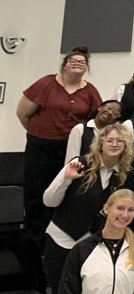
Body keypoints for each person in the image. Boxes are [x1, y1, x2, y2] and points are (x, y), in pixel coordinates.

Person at [42, 124, 133, 294]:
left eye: (120, 141)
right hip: (61, 239)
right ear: (100, 143)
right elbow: (48, 200)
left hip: (90, 245)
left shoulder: (122, 176)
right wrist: (66, 179)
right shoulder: (79, 164)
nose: (114, 144)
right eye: (110, 140)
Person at [18, 46, 103, 240]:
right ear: (64, 65)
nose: (77, 65)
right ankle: (33, 239)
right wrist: (39, 132)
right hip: (41, 148)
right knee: (36, 194)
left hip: (71, 149)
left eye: (82, 62)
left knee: (64, 191)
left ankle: (55, 239)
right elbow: (22, 113)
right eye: (73, 61)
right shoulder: (46, 83)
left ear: (86, 67)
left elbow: (96, 121)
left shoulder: (90, 91)